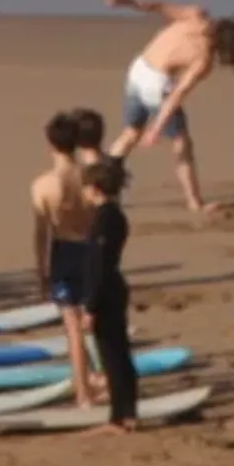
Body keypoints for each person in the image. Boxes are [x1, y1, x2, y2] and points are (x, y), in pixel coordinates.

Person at [104, 0, 234, 222]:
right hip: (155, 84)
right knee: (181, 143)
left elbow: (156, 6)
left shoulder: (195, 15)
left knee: (129, 133)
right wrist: (157, 127)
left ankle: (103, 185)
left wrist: (127, 2)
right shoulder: (203, 59)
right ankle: (194, 202)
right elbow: (176, 94)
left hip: (138, 68)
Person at [28, 107, 111, 409]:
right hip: (91, 249)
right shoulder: (91, 177)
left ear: (50, 144)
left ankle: (84, 393)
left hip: (64, 251)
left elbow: (41, 233)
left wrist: (41, 269)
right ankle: (101, 377)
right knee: (96, 320)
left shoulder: (43, 185)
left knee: (73, 327)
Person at [79, 157, 144, 432]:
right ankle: (126, 413)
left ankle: (120, 418)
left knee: (113, 356)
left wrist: (90, 306)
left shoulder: (106, 219)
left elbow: (100, 265)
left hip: (107, 292)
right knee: (119, 353)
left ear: (95, 189)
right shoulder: (113, 215)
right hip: (112, 288)